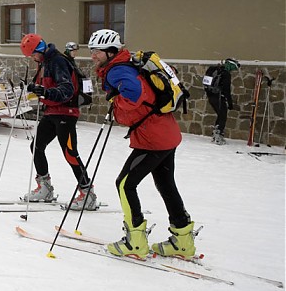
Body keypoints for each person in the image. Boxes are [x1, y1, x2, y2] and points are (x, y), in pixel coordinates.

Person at [88, 29, 196, 259]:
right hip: (166, 133)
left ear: (109, 52)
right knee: (166, 184)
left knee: (125, 184)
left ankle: (135, 242)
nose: (93, 56)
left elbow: (136, 96)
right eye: (92, 51)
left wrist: (115, 100)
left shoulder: (118, 70)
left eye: (96, 52)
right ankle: (183, 241)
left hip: (152, 138)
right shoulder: (129, 64)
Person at [20, 34, 97, 209]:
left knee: (70, 153)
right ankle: (45, 187)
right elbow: (46, 88)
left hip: (66, 113)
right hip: (52, 111)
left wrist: (46, 92)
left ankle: (87, 194)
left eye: (32, 55)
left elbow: (67, 89)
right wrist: (34, 89)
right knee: (36, 147)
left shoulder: (57, 61)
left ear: (39, 50)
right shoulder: (45, 63)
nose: (32, 59)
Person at [204, 58, 240, 145]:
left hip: (211, 96)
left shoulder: (212, 69)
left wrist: (210, 94)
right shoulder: (226, 74)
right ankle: (218, 136)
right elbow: (227, 90)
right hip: (219, 97)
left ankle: (216, 133)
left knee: (220, 115)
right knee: (223, 115)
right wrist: (230, 103)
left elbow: (206, 83)